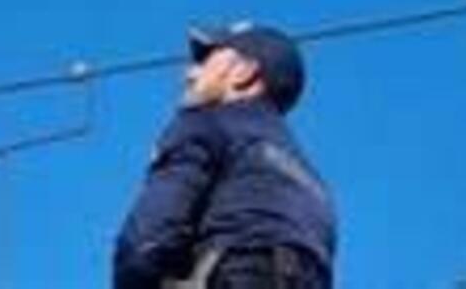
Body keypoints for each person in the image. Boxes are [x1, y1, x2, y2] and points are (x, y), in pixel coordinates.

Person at [113, 22, 337, 289]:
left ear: (244, 72)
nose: (190, 73)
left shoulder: (207, 123)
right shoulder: (314, 184)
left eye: (207, 59)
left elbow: (147, 240)